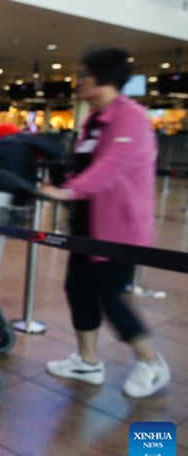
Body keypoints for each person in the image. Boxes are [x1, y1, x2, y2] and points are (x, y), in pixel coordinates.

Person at [40, 47, 169, 398]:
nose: (78, 81)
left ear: (105, 78)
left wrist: (68, 192)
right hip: (87, 225)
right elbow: (85, 166)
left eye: (84, 74)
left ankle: (152, 363)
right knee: (78, 291)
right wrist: (61, 182)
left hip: (119, 230)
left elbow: (110, 169)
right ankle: (88, 362)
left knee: (112, 298)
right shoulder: (95, 118)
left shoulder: (130, 117)